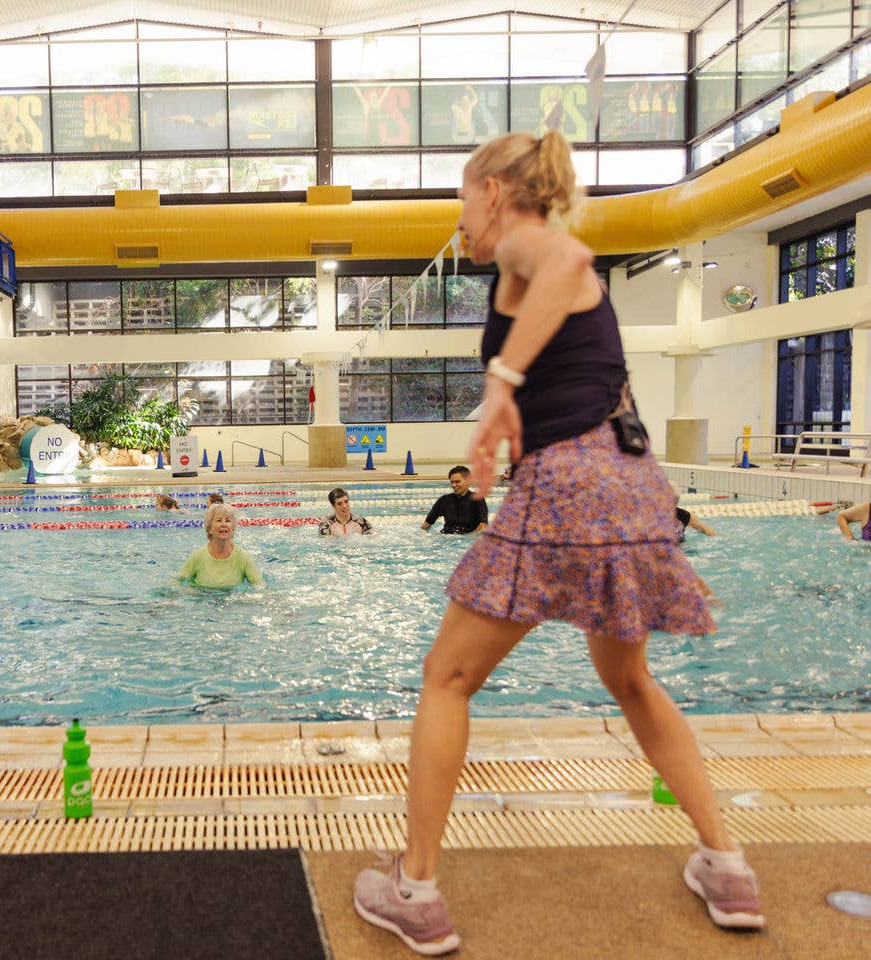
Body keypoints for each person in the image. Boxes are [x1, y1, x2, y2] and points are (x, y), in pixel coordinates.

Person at [353, 130, 762, 956]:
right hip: (631, 482)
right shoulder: (515, 269)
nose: (460, 219)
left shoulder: (530, 245)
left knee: (449, 677)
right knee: (632, 680)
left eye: (463, 199)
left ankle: (417, 890)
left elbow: (571, 262)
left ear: (497, 192)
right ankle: (727, 865)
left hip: (571, 483)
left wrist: (500, 386)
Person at [176, 503, 264, 588]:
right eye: (219, 520)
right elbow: (177, 582)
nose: (224, 524)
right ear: (209, 528)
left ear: (233, 528)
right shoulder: (198, 556)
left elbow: (259, 585)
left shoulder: (243, 557)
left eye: (228, 521)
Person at [422, 466, 488, 534]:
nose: (453, 485)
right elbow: (427, 524)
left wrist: (470, 540)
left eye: (457, 482)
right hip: (446, 539)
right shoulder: (444, 500)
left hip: (468, 539)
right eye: (452, 482)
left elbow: (483, 525)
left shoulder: (477, 499)